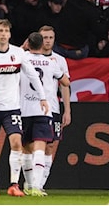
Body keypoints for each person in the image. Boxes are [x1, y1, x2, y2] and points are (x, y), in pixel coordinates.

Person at [0, 19, 48, 197]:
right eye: (0, 30)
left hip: (12, 107)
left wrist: (43, 98)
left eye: (6, 30)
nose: (3, 34)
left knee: (16, 142)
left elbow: (33, 76)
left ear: (10, 34)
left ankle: (14, 185)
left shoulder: (18, 53)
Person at [21, 28, 70, 197]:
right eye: (45, 38)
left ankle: (35, 184)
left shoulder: (22, 58)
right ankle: (34, 185)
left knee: (36, 147)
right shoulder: (53, 63)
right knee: (38, 146)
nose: (48, 40)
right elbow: (66, 81)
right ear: (41, 42)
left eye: (51, 37)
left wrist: (67, 110)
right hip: (44, 109)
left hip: (36, 108)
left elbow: (64, 87)